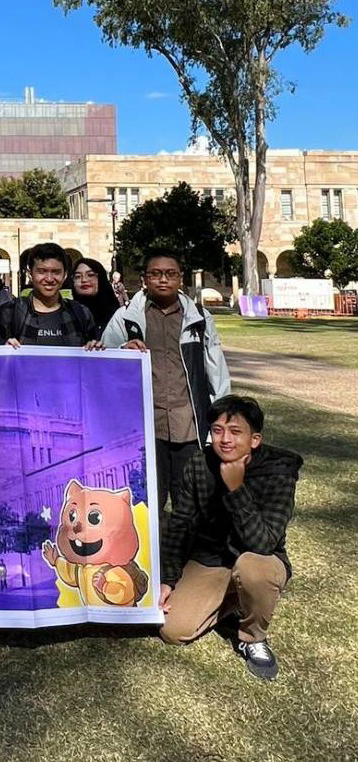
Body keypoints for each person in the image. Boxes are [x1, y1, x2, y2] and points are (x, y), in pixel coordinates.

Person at [159, 395, 302, 681]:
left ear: (255, 439)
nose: (224, 439)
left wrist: (236, 491)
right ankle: (235, 601)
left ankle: (253, 637)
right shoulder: (199, 465)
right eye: (217, 430)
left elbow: (263, 544)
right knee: (172, 630)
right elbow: (180, 524)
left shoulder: (278, 472)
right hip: (210, 560)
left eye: (236, 432)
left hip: (258, 558)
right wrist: (168, 579)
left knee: (252, 569)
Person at [102, 251, 230, 520]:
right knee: (148, 502)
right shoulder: (126, 317)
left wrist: (220, 420)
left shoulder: (199, 319)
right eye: (155, 274)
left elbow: (216, 369)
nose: (163, 280)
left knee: (190, 502)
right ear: (145, 279)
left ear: (180, 278)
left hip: (189, 424)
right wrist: (124, 349)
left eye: (170, 274)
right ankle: (155, 560)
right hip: (146, 428)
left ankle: (185, 559)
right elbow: (105, 361)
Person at [0, 243, 102, 349]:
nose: (49, 279)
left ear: (65, 275)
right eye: (42, 272)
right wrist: (4, 350)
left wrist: (95, 348)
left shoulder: (81, 313)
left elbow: (92, 361)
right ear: (30, 274)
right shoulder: (9, 312)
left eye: (56, 272)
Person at [71, 257, 121, 336]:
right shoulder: (66, 313)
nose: (84, 280)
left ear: (101, 279)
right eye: (77, 276)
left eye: (90, 275)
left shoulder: (118, 315)